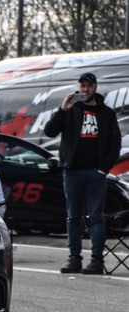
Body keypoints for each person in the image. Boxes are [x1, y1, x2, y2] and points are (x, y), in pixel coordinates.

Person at [44, 72, 121, 274]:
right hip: (73, 171)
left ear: (95, 87)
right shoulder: (70, 110)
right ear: (78, 87)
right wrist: (62, 110)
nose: (85, 89)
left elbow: (115, 143)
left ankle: (96, 260)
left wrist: (104, 169)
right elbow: (49, 132)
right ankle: (74, 259)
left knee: (96, 216)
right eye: (82, 85)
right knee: (73, 217)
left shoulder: (106, 113)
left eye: (89, 86)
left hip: (95, 172)